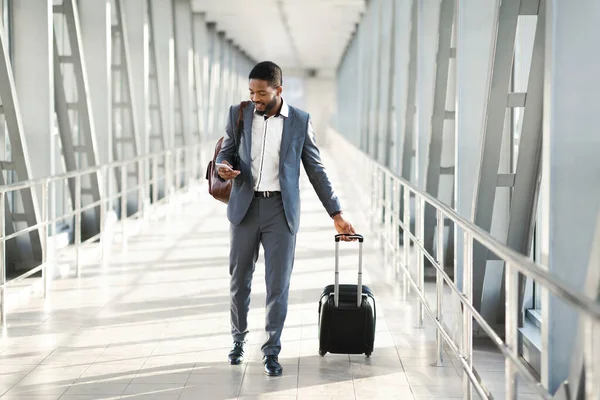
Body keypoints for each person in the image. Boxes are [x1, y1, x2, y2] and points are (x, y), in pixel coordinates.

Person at [216, 61, 355, 376]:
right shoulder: (238, 114)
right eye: (251, 92)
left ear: (279, 90)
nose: (255, 98)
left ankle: (272, 351)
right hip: (245, 209)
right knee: (239, 280)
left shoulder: (300, 122)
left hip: (281, 211)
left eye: (262, 93)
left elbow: (316, 170)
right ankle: (238, 341)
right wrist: (224, 166)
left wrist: (336, 213)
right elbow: (226, 152)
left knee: (278, 284)